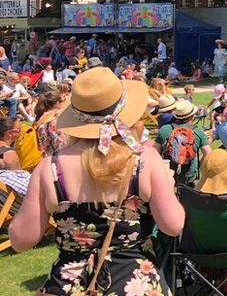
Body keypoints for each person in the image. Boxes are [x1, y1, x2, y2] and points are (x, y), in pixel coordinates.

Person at [9, 67, 184, 294]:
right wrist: (168, 188)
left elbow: (21, 240)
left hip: (70, 285)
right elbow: (173, 225)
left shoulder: (49, 168)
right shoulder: (144, 160)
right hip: (133, 282)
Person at [155, 98, 212, 184]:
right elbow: (208, 154)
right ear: (192, 116)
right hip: (189, 174)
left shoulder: (164, 129)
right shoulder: (198, 131)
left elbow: (154, 153)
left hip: (169, 173)